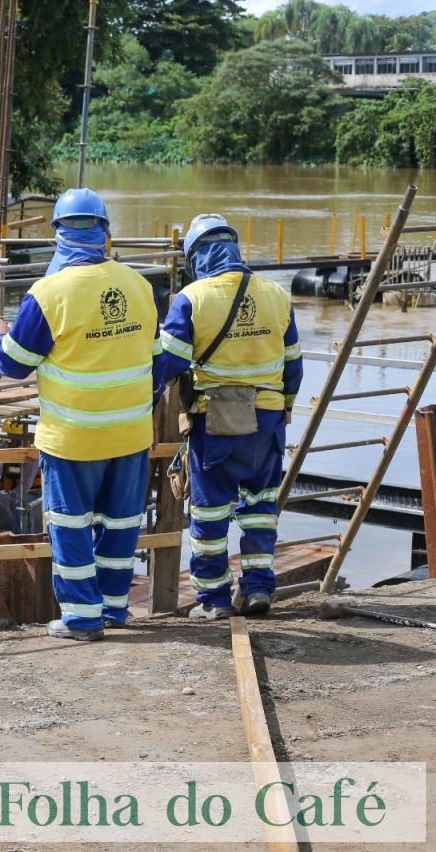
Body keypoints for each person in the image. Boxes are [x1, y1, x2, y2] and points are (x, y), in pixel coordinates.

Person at [0, 188, 163, 641]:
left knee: (70, 526)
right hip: (130, 433)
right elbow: (157, 361)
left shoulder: (48, 293)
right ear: (105, 233)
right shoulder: (140, 286)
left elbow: (14, 365)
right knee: (121, 526)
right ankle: (115, 609)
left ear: (58, 234)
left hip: (74, 436)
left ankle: (82, 617)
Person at [160, 213, 303, 620]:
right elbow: (293, 366)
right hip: (269, 422)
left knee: (209, 513)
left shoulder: (191, 299)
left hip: (216, 423)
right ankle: (257, 589)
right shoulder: (277, 295)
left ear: (195, 257)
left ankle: (215, 601)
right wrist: (285, 407)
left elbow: (168, 364)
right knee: (260, 509)